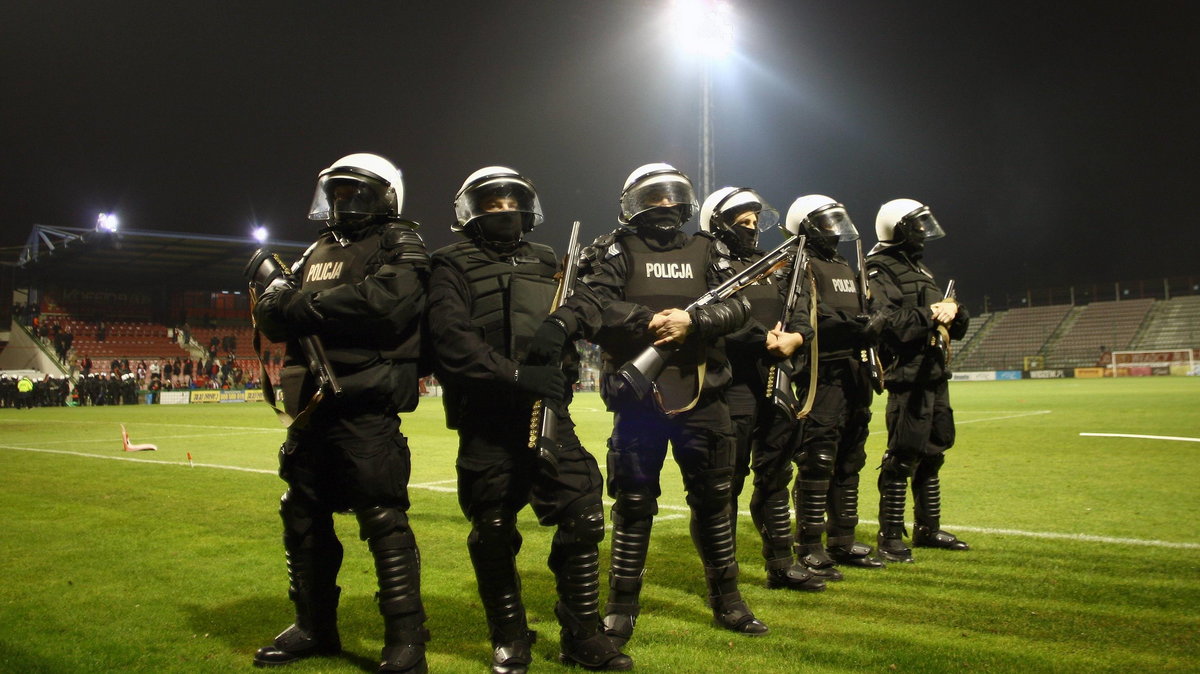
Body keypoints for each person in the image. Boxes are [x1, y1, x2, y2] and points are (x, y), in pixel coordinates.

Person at [427, 166, 631, 673]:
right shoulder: (447, 265)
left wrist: (564, 320)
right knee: (493, 529)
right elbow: (451, 342)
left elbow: (592, 303)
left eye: (512, 202)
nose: (505, 211)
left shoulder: (548, 260)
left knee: (583, 512)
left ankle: (582, 634)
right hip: (486, 420)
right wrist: (518, 375)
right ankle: (510, 637)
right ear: (469, 212)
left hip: (551, 416)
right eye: (492, 204)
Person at [555, 163, 765, 645]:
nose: (666, 207)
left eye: (673, 197)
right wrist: (649, 321)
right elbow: (591, 307)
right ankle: (621, 607)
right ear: (632, 204)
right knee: (631, 504)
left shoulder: (709, 249)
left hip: (704, 396)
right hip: (638, 399)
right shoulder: (612, 250)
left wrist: (695, 323)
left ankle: (729, 600)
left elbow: (740, 305)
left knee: (715, 503)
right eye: (654, 199)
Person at [250, 153, 432, 672]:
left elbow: (388, 303)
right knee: (302, 513)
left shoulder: (401, 241)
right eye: (337, 192)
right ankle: (314, 626)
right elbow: (271, 310)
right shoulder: (316, 248)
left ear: (387, 197)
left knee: (382, 519)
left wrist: (306, 305)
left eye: (357, 193)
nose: (343, 202)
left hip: (365, 407)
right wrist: (285, 301)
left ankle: (405, 642)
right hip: (310, 411)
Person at [698, 187, 825, 593]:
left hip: (778, 378)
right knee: (726, 481)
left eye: (755, 221)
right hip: (730, 383)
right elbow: (712, 313)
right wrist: (764, 339)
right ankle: (724, 571)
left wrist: (796, 340)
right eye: (743, 220)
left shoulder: (774, 265)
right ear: (719, 221)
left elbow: (801, 312)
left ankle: (781, 563)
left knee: (775, 474)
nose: (752, 228)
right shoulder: (707, 262)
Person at [785, 195, 887, 579]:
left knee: (850, 456)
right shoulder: (798, 264)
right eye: (825, 223)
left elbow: (866, 303)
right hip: (820, 372)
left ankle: (842, 538)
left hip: (854, 370)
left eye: (835, 222)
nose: (833, 230)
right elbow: (806, 314)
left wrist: (874, 317)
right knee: (818, 458)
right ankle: (809, 544)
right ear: (806, 226)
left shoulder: (844, 264)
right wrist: (852, 323)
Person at [866, 198, 970, 562]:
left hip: (935, 372)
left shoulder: (921, 270)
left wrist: (955, 310)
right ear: (897, 228)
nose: (924, 232)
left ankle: (928, 528)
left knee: (934, 451)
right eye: (917, 225)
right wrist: (931, 313)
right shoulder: (878, 269)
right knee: (902, 455)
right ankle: (890, 536)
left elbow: (954, 322)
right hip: (907, 376)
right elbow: (889, 325)